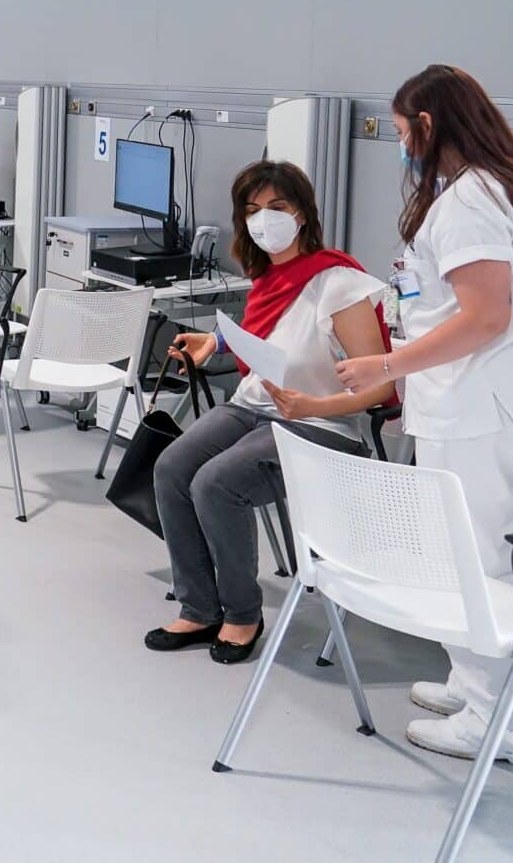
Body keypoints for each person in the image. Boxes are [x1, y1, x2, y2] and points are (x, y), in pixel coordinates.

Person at [334, 64, 513, 766]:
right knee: (474, 548)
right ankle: (478, 688)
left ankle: (506, 724)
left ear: (430, 124)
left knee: (477, 556)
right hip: (496, 392)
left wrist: (386, 365)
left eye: (405, 128)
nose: (402, 142)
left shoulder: (472, 198)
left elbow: (484, 316)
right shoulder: (509, 182)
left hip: (483, 400)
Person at [145, 160, 395, 665]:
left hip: (320, 424)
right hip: (254, 408)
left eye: (276, 208)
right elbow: (268, 334)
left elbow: (381, 386)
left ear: (302, 213)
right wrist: (214, 340)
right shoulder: (268, 275)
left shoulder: (340, 283)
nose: (263, 220)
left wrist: (314, 404)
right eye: (253, 210)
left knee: (216, 483)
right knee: (172, 467)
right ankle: (198, 607)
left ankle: (243, 615)